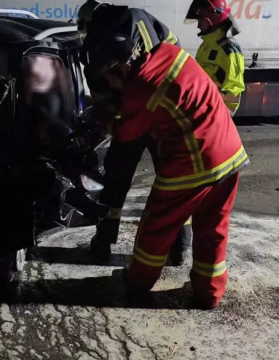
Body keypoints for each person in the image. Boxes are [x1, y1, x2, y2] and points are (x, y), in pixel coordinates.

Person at [84, 34, 249, 309]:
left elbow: (127, 132)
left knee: (156, 227)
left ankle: (137, 282)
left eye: (108, 78)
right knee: (213, 228)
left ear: (121, 67)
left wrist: (104, 121)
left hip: (192, 165)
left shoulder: (141, 86)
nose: (109, 85)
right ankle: (208, 295)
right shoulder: (172, 53)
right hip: (230, 154)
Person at [76, 0, 192, 264]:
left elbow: (148, 75)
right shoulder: (134, 21)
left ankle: (103, 243)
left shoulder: (120, 29)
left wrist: (113, 120)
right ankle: (179, 248)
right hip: (158, 117)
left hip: (141, 118)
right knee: (173, 183)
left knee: (117, 181)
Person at [184, 0, 245, 116]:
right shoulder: (206, 45)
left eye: (200, 21)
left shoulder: (229, 50)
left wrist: (220, 118)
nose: (198, 26)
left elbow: (233, 91)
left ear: (212, 19)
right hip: (200, 111)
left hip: (212, 115)